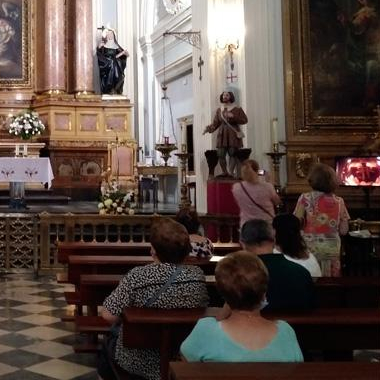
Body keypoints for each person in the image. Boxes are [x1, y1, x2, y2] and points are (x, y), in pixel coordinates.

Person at [97, 218, 208, 380]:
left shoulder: (138, 276)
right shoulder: (197, 275)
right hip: (180, 356)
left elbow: (108, 315)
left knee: (107, 347)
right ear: (186, 251)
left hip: (137, 360)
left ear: (153, 251)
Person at [180, 251, 304, 363]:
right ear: (264, 292)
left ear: (223, 294)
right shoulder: (285, 332)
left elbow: (186, 362)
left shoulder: (206, 329)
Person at [240, 219, 314, 310]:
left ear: (243, 243)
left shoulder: (237, 274)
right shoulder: (301, 272)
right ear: (274, 240)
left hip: (252, 323)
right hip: (298, 324)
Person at [294, 163, 350, 277]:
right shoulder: (339, 201)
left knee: (310, 277)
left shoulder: (305, 198)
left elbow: (295, 222)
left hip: (309, 247)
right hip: (332, 247)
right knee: (330, 280)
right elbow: (344, 230)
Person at [203, 91, 248, 177]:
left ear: (231, 96)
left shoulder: (237, 109)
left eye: (227, 95)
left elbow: (245, 120)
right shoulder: (219, 110)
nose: (225, 96)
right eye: (223, 95)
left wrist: (233, 116)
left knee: (232, 153)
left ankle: (230, 172)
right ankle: (225, 172)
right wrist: (209, 129)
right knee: (220, 154)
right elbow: (215, 124)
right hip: (222, 134)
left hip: (232, 134)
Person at [231, 160, 280, 228]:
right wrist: (270, 182)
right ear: (257, 171)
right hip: (266, 224)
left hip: (247, 225)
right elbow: (277, 202)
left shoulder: (236, 187)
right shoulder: (267, 187)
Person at [97, 26, 129, 95]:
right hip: (106, 64)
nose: (110, 35)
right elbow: (100, 54)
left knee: (114, 63)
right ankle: (109, 89)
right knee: (111, 62)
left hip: (115, 64)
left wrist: (124, 53)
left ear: (114, 35)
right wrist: (99, 48)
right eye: (108, 34)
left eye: (111, 34)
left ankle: (115, 88)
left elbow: (125, 55)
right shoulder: (103, 46)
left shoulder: (116, 46)